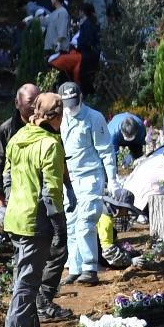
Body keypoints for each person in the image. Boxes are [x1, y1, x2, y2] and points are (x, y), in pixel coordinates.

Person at [2, 91, 70, 327]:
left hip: (15, 218)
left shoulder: (18, 137)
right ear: (58, 116)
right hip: (34, 221)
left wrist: (12, 202)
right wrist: (58, 225)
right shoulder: (50, 145)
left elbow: (7, 177)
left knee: (23, 273)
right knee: (29, 279)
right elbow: (51, 191)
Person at [57, 83, 115, 286]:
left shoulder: (94, 118)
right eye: (67, 104)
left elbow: (107, 151)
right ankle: (75, 268)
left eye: (74, 103)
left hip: (91, 176)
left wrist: (112, 180)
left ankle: (90, 268)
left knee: (85, 223)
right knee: (72, 225)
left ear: (81, 98)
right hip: (69, 179)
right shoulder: (60, 117)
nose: (71, 108)